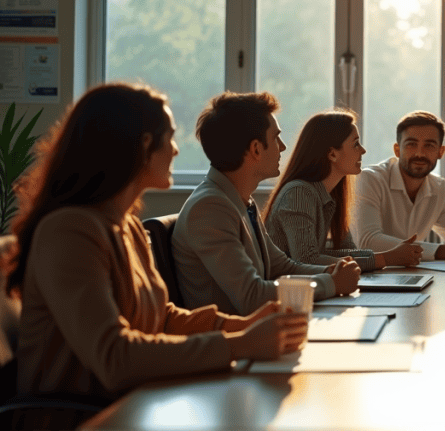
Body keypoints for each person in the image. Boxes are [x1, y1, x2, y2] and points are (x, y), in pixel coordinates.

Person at [9, 83, 307, 402]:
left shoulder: (128, 227)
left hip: (132, 401)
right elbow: (114, 357)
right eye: (170, 136)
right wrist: (240, 344)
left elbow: (161, 318)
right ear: (144, 145)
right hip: (78, 417)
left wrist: (243, 325)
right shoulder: (69, 231)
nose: (176, 149)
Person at [173, 92, 360, 316]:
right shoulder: (210, 208)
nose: (282, 147)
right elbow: (252, 296)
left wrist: (330, 272)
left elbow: (281, 267)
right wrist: (331, 284)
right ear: (256, 149)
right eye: (276, 138)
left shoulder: (240, 200)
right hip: (237, 342)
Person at [263, 109, 422, 270]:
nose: (363, 150)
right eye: (355, 144)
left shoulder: (332, 194)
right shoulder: (298, 193)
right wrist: (387, 258)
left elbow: (347, 251)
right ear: (332, 154)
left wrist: (390, 255)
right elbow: (307, 259)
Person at [351, 111, 445, 261]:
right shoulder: (369, 179)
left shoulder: (438, 186)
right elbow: (368, 241)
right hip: (367, 274)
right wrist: (441, 251)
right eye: (411, 144)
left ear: (440, 152)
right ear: (397, 150)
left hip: (412, 272)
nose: (419, 153)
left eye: (429, 145)